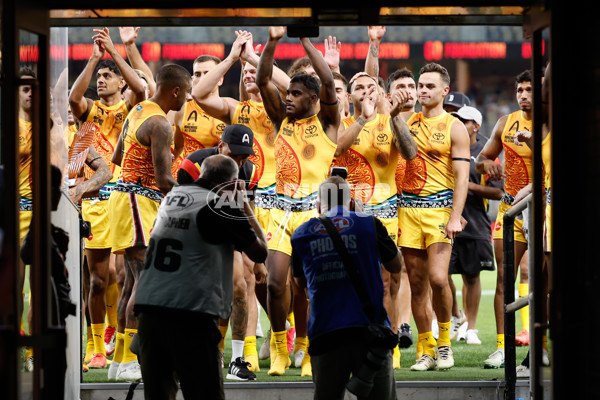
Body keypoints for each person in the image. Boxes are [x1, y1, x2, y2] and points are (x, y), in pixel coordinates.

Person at [191, 30, 291, 372]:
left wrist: (255, 59)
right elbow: (199, 92)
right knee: (245, 278)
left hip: (279, 204)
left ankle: (283, 336)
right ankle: (246, 350)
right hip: (242, 200)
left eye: (256, 71)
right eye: (246, 74)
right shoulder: (236, 111)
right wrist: (233, 58)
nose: (250, 75)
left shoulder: (284, 114)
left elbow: (293, 86)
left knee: (276, 282)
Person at [134, 154, 268, 400]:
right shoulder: (220, 203)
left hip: (149, 310)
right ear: (231, 184)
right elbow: (260, 251)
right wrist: (244, 205)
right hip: (189, 314)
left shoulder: (173, 197)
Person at [256, 26, 340, 376]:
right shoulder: (281, 120)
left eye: (295, 94)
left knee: (309, 286)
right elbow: (263, 81)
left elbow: (330, 84)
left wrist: (306, 40)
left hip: (314, 214)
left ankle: (307, 349)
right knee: (274, 282)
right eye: (287, 92)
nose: (287, 98)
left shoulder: (328, 123)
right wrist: (273, 42)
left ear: (313, 99)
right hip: (279, 212)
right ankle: (279, 348)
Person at [69, 27, 146, 369]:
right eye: (98, 77)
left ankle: (123, 347)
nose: (101, 80)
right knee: (97, 278)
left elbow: (143, 89)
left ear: (121, 84)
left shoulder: (131, 108)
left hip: (125, 198)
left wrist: (117, 51)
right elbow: (73, 99)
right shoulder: (88, 115)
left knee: (125, 276)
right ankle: (96, 345)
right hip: (97, 202)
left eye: (107, 77)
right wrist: (94, 58)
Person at [108, 63, 191, 381]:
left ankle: (118, 361)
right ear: (176, 91)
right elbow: (165, 180)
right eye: (187, 92)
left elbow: (116, 158)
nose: (187, 98)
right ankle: (131, 361)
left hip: (125, 197)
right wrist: (195, 196)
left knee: (131, 282)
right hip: (138, 200)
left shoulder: (138, 109)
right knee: (145, 282)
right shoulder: (160, 123)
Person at [333, 65, 417, 370]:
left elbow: (409, 153)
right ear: (350, 95)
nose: (366, 91)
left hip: (384, 215)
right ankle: (356, 341)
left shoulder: (389, 122)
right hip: (349, 214)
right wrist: (362, 119)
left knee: (388, 280)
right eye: (359, 87)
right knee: (349, 281)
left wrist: (394, 118)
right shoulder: (340, 123)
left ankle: (388, 343)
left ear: (380, 93)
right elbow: (337, 149)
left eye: (371, 87)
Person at [291, 175, 402, 400]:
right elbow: (396, 264)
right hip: (369, 332)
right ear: (351, 203)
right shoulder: (369, 224)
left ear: (318, 205)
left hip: (326, 332)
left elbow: (299, 283)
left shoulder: (301, 234)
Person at [398, 62, 470, 371]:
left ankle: (444, 345)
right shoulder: (405, 120)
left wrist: (456, 216)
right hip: (407, 209)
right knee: (416, 283)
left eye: (429, 86)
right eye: (419, 85)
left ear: (445, 91)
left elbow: (462, 177)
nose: (422, 90)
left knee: (439, 279)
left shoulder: (454, 126)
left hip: (439, 209)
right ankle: (425, 349)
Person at [476, 70, 534, 369]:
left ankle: (540, 345)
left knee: (542, 281)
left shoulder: (550, 124)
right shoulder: (505, 123)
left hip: (541, 209)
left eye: (530, 89)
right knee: (503, 279)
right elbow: (481, 160)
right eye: (519, 89)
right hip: (510, 210)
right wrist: (489, 165)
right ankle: (502, 346)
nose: (523, 95)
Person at [447, 105, 503, 346]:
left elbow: (499, 193)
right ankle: (454, 317)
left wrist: (466, 186)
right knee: (440, 276)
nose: (459, 122)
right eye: (457, 119)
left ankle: (470, 326)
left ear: (476, 126)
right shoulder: (445, 146)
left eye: (465, 120)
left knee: (472, 276)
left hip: (475, 219)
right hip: (444, 217)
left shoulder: (485, 153)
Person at [386, 66, 419, 350]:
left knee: (410, 271)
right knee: (388, 274)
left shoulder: (430, 120)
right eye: (401, 86)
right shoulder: (382, 120)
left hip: (415, 204)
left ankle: (405, 325)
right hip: (386, 203)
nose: (408, 90)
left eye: (412, 85)